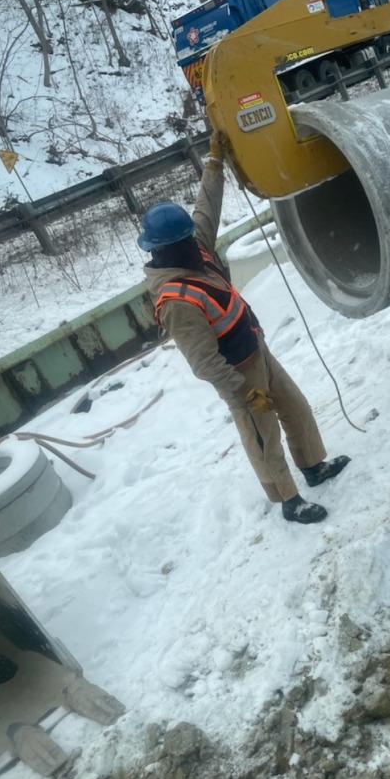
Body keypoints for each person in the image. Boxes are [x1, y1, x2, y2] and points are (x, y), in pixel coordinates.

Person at [137, 132, 350, 524]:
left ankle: (313, 465)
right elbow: (202, 362)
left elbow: (205, 208)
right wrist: (245, 392)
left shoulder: (193, 247)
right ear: (162, 251)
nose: (195, 240)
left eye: (191, 236)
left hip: (257, 348)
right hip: (238, 374)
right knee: (263, 436)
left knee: (296, 409)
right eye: (185, 239)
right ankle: (288, 500)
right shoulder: (176, 300)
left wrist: (215, 163)